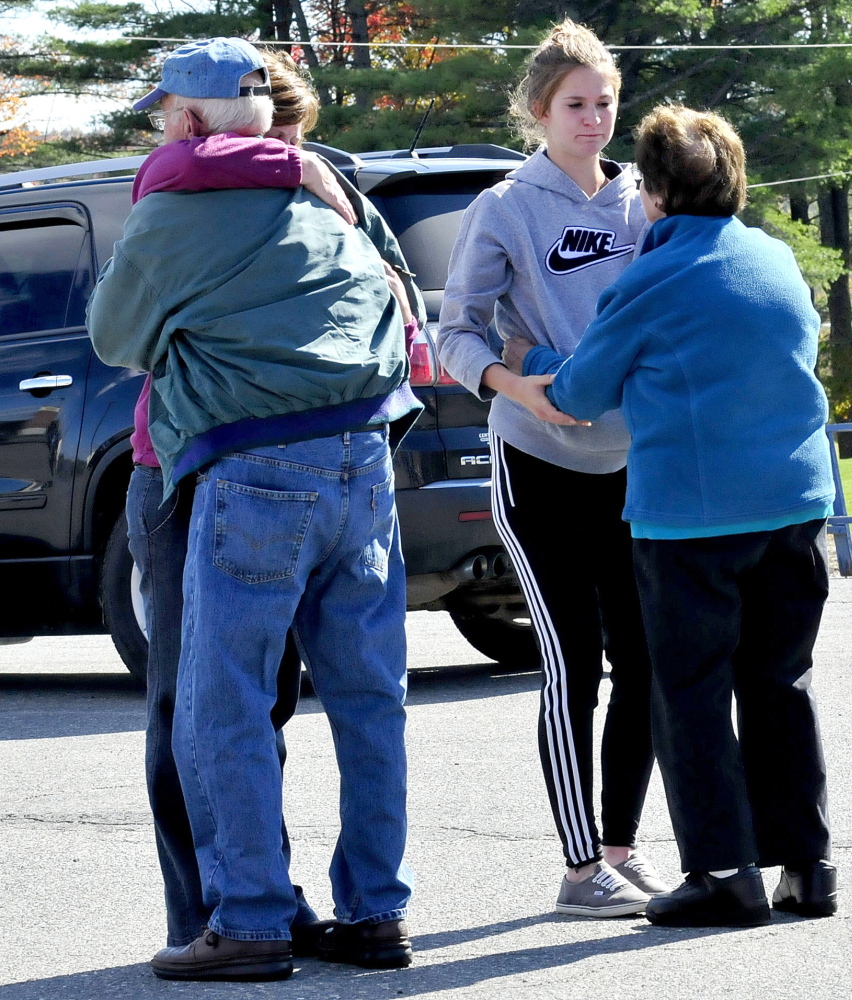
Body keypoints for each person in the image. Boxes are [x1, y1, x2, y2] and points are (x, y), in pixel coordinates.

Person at [88, 37, 421, 981]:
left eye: (164, 112)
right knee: (368, 701)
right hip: (364, 459)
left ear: (187, 119)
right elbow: (399, 313)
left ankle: (249, 922)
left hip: (249, 467)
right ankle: (375, 913)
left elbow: (114, 339)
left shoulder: (173, 213)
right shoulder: (327, 200)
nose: (161, 125)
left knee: (221, 700)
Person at [521, 104, 837, 928]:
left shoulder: (650, 279)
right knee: (780, 683)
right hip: (795, 503)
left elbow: (579, 394)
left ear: (654, 194)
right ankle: (807, 866)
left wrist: (527, 358)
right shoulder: (771, 259)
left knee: (690, 694)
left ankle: (724, 873)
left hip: (691, 519)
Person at [438, 19, 668, 918]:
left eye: (605, 100)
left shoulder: (643, 203)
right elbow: (454, 330)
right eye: (576, 103)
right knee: (572, 661)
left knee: (643, 658)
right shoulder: (504, 206)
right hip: (536, 459)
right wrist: (511, 383)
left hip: (630, 463)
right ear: (539, 111)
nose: (595, 118)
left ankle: (619, 846)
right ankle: (578, 870)